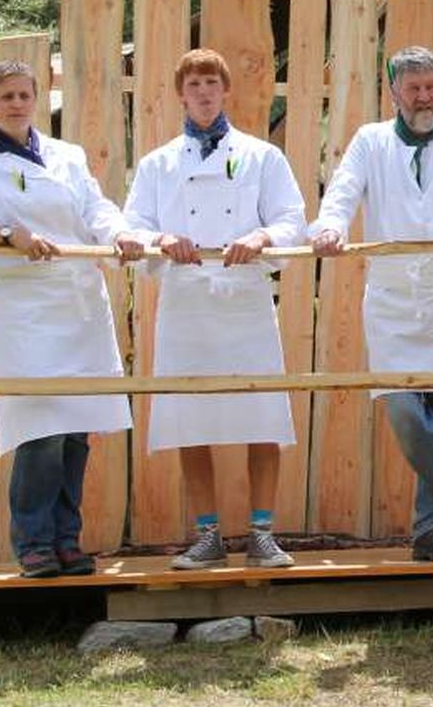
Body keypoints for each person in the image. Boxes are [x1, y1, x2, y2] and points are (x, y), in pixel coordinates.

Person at [0, 59, 145, 578]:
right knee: (40, 433)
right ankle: (33, 544)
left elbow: (96, 210)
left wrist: (120, 233)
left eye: (25, 95)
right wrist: (6, 234)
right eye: (7, 96)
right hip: (26, 311)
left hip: (79, 307)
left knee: (75, 434)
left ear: (39, 99)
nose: (17, 104)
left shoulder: (68, 156)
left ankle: (67, 540)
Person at [311, 46, 433, 563]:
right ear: (394, 93)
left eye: (431, 87)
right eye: (414, 88)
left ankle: (431, 530)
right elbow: (342, 193)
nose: (424, 97)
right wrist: (331, 227)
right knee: (403, 410)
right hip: (394, 301)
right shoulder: (370, 141)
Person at [123, 49, 308, 570]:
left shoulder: (262, 157)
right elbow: (131, 226)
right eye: (194, 84)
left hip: (245, 302)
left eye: (211, 83)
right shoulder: (157, 164)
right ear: (180, 95)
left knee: (262, 415)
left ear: (226, 91)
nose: (203, 93)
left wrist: (261, 236)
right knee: (190, 419)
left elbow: (292, 219)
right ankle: (208, 537)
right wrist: (161, 239)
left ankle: (262, 535)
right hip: (186, 305)